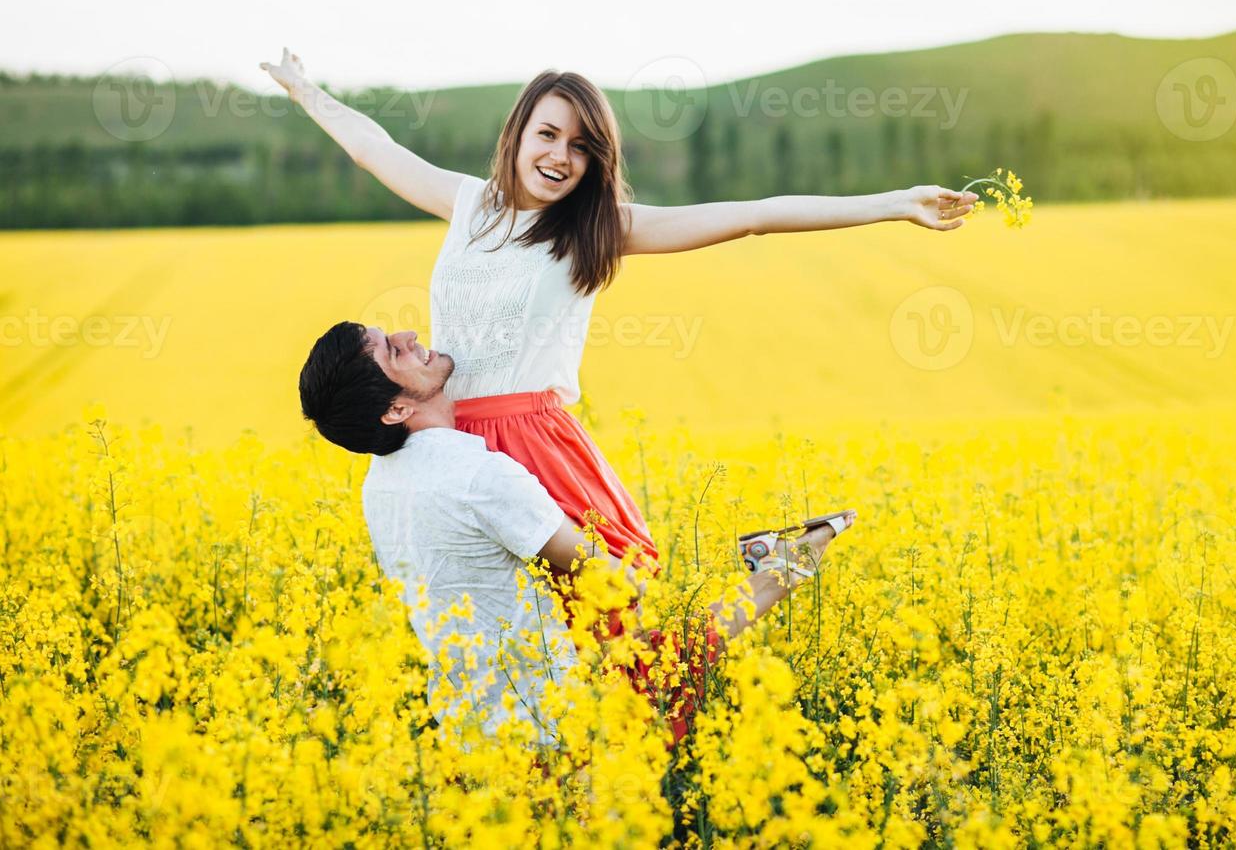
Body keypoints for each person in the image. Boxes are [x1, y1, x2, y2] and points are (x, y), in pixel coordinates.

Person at [260, 49, 972, 585]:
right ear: (517, 133)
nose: (560, 157)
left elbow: (751, 217)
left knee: (618, 624)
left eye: (581, 146)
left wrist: (892, 202)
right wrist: (305, 91)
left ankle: (772, 566)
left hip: (529, 441)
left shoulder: (594, 230)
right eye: (547, 134)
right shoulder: (467, 204)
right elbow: (372, 147)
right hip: (444, 439)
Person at [297, 320, 855, 744]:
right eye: (391, 350)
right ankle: (791, 560)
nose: (408, 333)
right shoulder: (477, 474)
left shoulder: (379, 482)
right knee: (668, 661)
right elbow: (618, 582)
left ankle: (782, 558)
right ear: (394, 409)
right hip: (551, 722)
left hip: (465, 725)